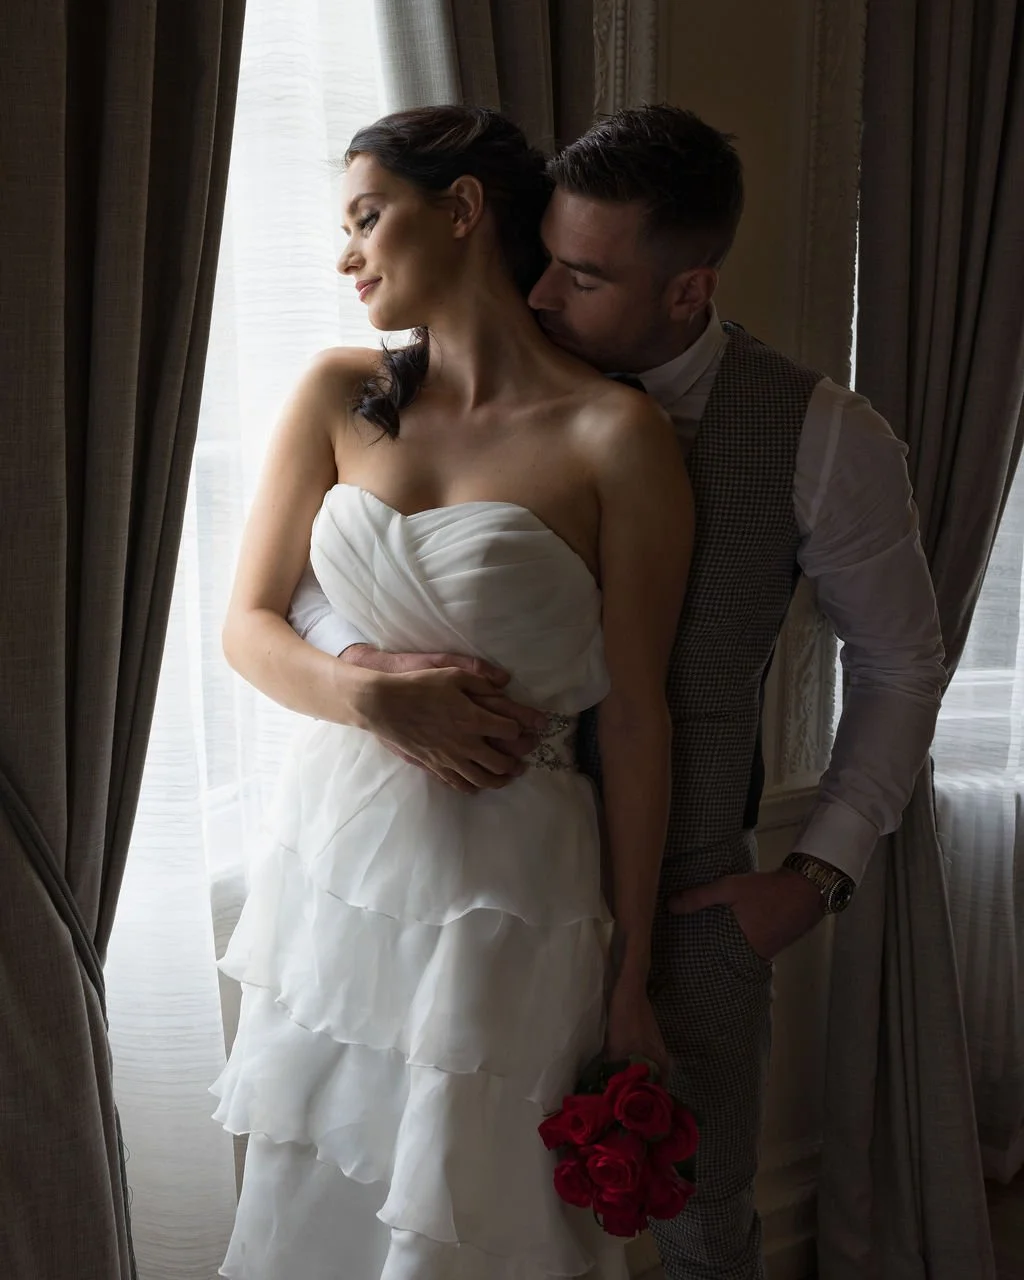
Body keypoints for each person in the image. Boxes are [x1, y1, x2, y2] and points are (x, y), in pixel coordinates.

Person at [285, 105, 946, 1280]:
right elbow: (365, 573)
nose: (540, 297)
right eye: (543, 256)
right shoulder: (446, 387)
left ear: (688, 290)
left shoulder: (821, 437)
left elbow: (898, 663)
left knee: (689, 1221)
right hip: (448, 880)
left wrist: (814, 876)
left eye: (582, 277)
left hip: (683, 897)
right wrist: (371, 672)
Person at [212, 104, 693, 1280]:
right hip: (338, 869)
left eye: (368, 216)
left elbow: (635, 716)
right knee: (317, 1195)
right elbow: (244, 626)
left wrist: (630, 979)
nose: (346, 255)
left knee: (471, 1219)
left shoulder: (613, 434)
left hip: (509, 896)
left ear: (465, 207)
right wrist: (366, 696)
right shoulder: (339, 393)